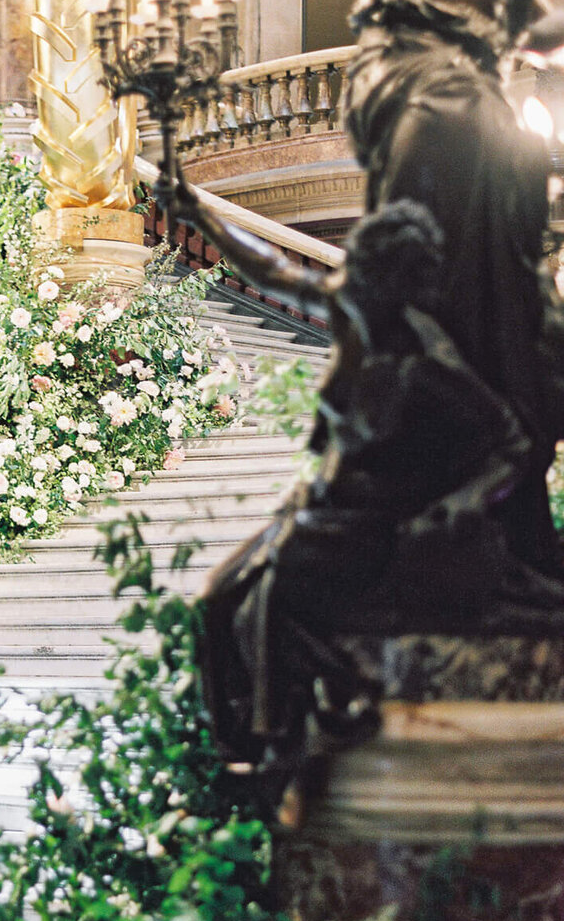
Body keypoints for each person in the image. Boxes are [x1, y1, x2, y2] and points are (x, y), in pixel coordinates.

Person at [170, 180, 564, 771]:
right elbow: (272, 270)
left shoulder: (428, 367)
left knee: (260, 599)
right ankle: (246, 742)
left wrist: (462, 502)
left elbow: (510, 442)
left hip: (367, 527)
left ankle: (268, 740)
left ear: (397, 284)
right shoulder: (357, 312)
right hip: (316, 509)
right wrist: (201, 215)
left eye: (370, 277)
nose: (349, 286)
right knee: (213, 599)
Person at [319, 0, 564, 574]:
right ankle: (412, 393)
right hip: (398, 83)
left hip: (464, 98)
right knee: (416, 227)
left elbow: (549, 31)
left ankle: (474, 414)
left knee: (477, 250)